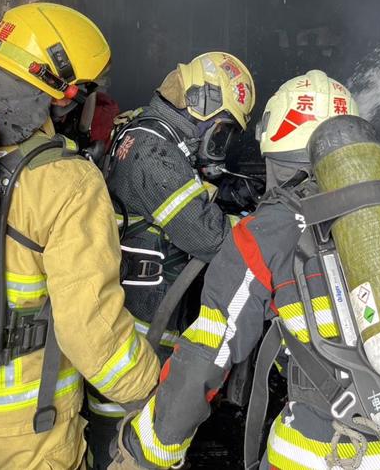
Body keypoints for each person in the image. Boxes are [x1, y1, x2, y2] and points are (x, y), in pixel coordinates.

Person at [110, 70, 380, 470]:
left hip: (326, 455)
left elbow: (207, 354)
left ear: (274, 151)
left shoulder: (262, 234)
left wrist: (147, 453)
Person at [0, 2, 159, 470]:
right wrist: (152, 391)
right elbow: (91, 332)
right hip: (29, 436)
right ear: (65, 94)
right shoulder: (67, 180)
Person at [85, 52, 256, 469]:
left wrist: (219, 191)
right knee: (128, 440)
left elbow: (172, 203)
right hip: (142, 329)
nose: (221, 143)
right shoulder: (153, 155)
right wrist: (258, 224)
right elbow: (211, 240)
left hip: (132, 317)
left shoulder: (144, 129)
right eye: (223, 131)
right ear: (200, 104)